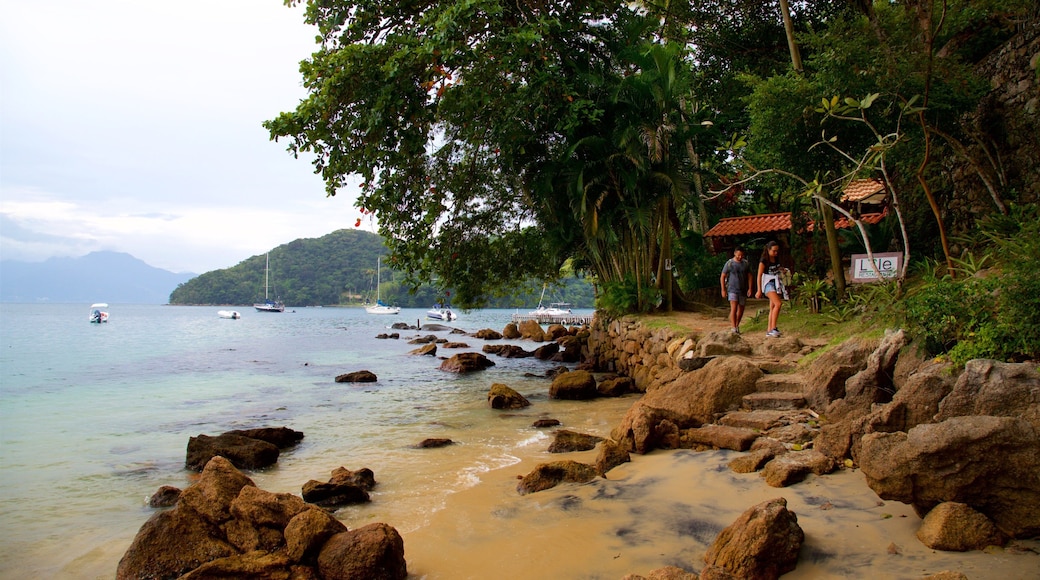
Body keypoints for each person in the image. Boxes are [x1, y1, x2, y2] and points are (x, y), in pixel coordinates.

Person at [756, 240, 787, 338]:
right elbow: (759, 275)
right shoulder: (764, 261)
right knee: (778, 303)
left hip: (776, 282)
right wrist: (759, 290)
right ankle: (773, 328)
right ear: (768, 250)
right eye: (774, 251)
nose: (775, 253)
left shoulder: (776, 259)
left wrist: (782, 270)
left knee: (773, 307)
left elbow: (776, 269)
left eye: (777, 251)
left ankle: (769, 330)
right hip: (768, 283)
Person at [720, 247, 753, 334]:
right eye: (738, 255)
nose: (740, 257)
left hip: (743, 289)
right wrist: (723, 289)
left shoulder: (745, 264)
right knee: (734, 308)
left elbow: (750, 276)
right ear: (735, 253)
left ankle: (737, 325)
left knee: (741, 309)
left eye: (741, 255)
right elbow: (723, 276)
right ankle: (733, 327)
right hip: (732, 289)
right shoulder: (729, 263)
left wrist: (750, 288)